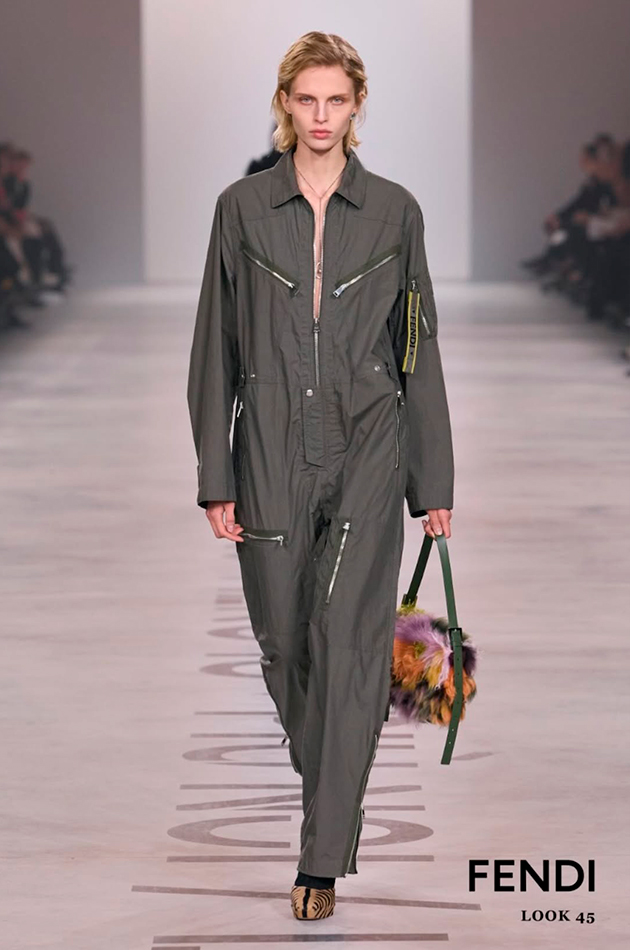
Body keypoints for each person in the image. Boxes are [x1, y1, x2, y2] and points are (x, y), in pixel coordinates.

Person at [186, 31, 454, 921]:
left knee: (349, 644)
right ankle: (335, 790)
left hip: (371, 438)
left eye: (336, 100)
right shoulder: (241, 208)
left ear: (357, 105)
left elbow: (417, 347)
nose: (321, 116)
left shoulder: (395, 212)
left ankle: (322, 857)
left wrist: (433, 480)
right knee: (284, 644)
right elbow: (215, 346)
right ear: (285, 104)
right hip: (267, 442)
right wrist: (216, 472)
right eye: (307, 100)